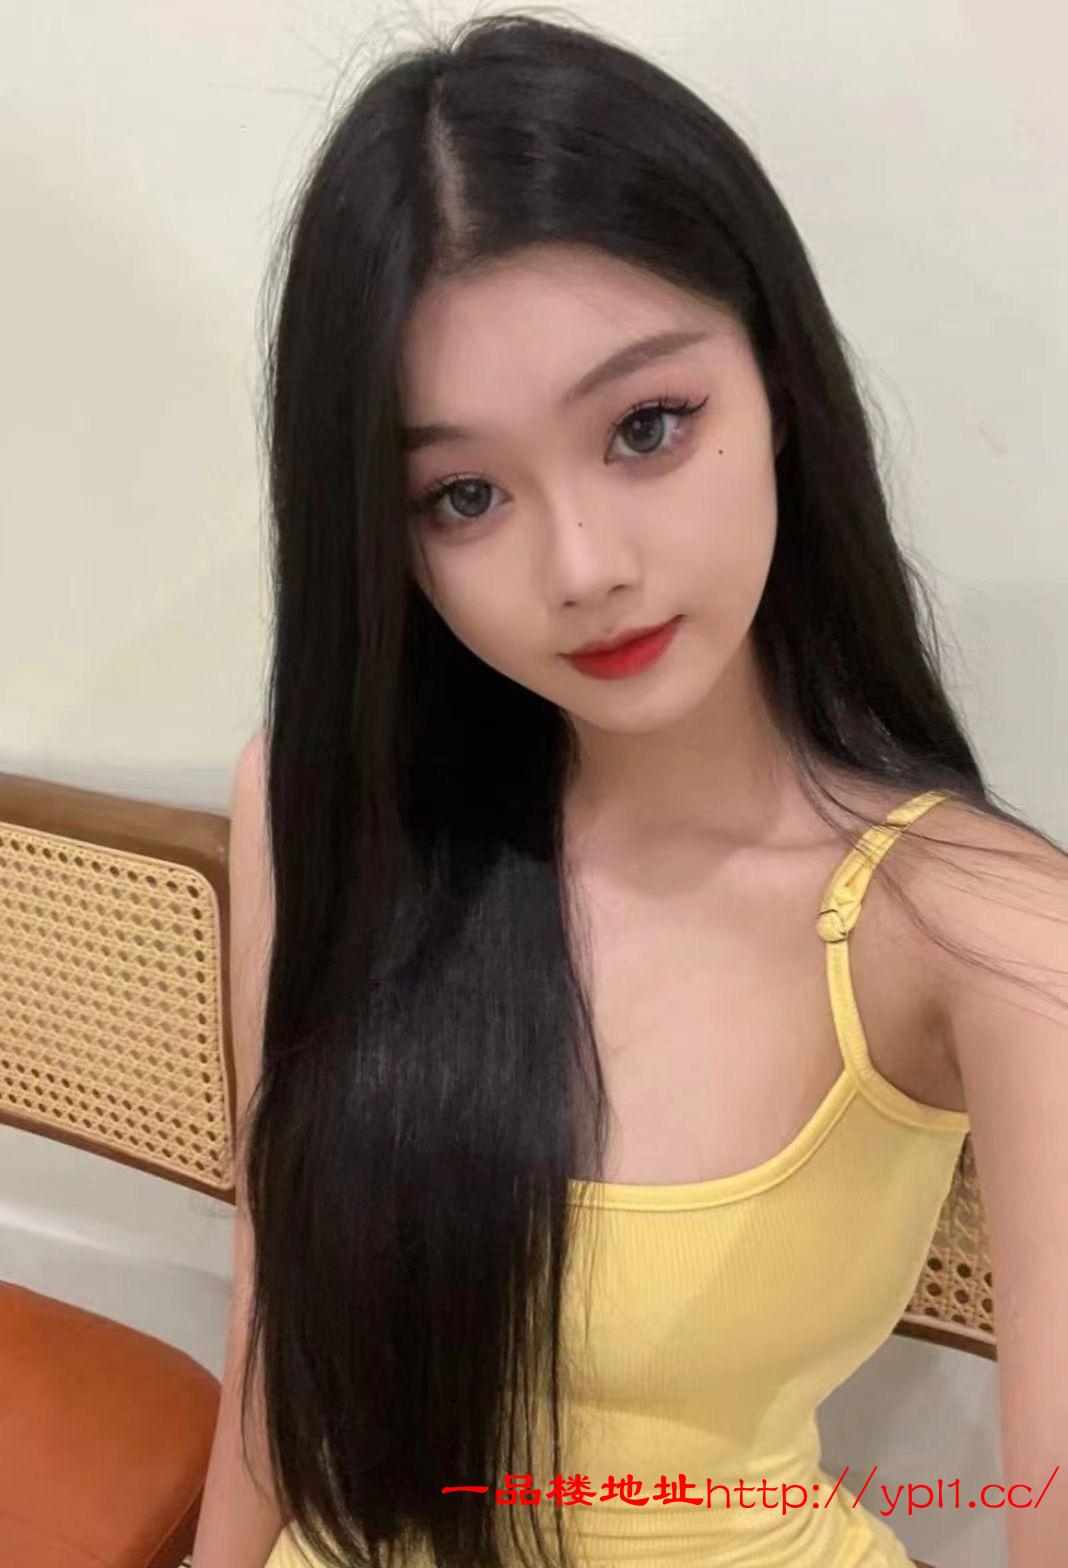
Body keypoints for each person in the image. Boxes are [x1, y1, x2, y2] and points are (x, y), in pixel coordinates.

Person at [190, 11, 1068, 1568]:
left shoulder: (980, 926)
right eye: (464, 495)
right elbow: (282, 1338)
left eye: (647, 427)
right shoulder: (321, 807)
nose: (584, 566)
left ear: (777, 380)